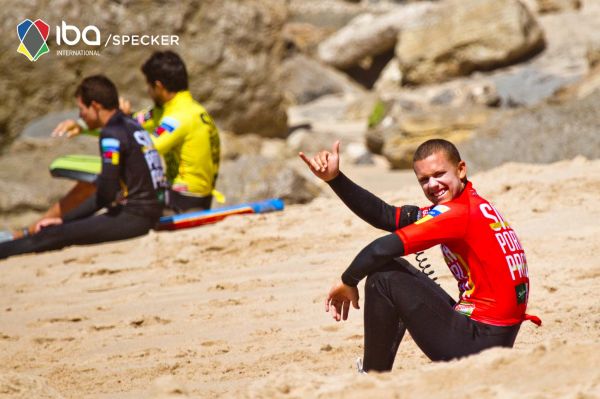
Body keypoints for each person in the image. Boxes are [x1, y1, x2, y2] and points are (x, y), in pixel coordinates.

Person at [299, 139, 540, 373]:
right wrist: (335, 179)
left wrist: (347, 281)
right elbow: (387, 216)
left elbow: (380, 249)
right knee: (393, 270)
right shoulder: (471, 204)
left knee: (384, 277)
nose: (432, 185)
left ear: (461, 169)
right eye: (424, 180)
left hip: (478, 343)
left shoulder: (457, 214)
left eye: (439, 174)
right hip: (492, 334)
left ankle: (372, 379)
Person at [6, 51, 221, 241]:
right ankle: (38, 228)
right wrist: (83, 126)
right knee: (104, 177)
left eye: (148, 86)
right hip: (186, 195)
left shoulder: (179, 117)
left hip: (183, 202)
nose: (147, 91)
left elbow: (144, 147)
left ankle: (34, 230)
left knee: (98, 178)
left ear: (158, 86)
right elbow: (128, 123)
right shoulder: (179, 110)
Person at [0, 75, 166, 259]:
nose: (80, 117)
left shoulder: (111, 134)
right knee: (62, 227)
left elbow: (106, 193)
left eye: (81, 109)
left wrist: (64, 220)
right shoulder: (132, 124)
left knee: (52, 233)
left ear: (95, 106)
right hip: (150, 212)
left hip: (136, 217)